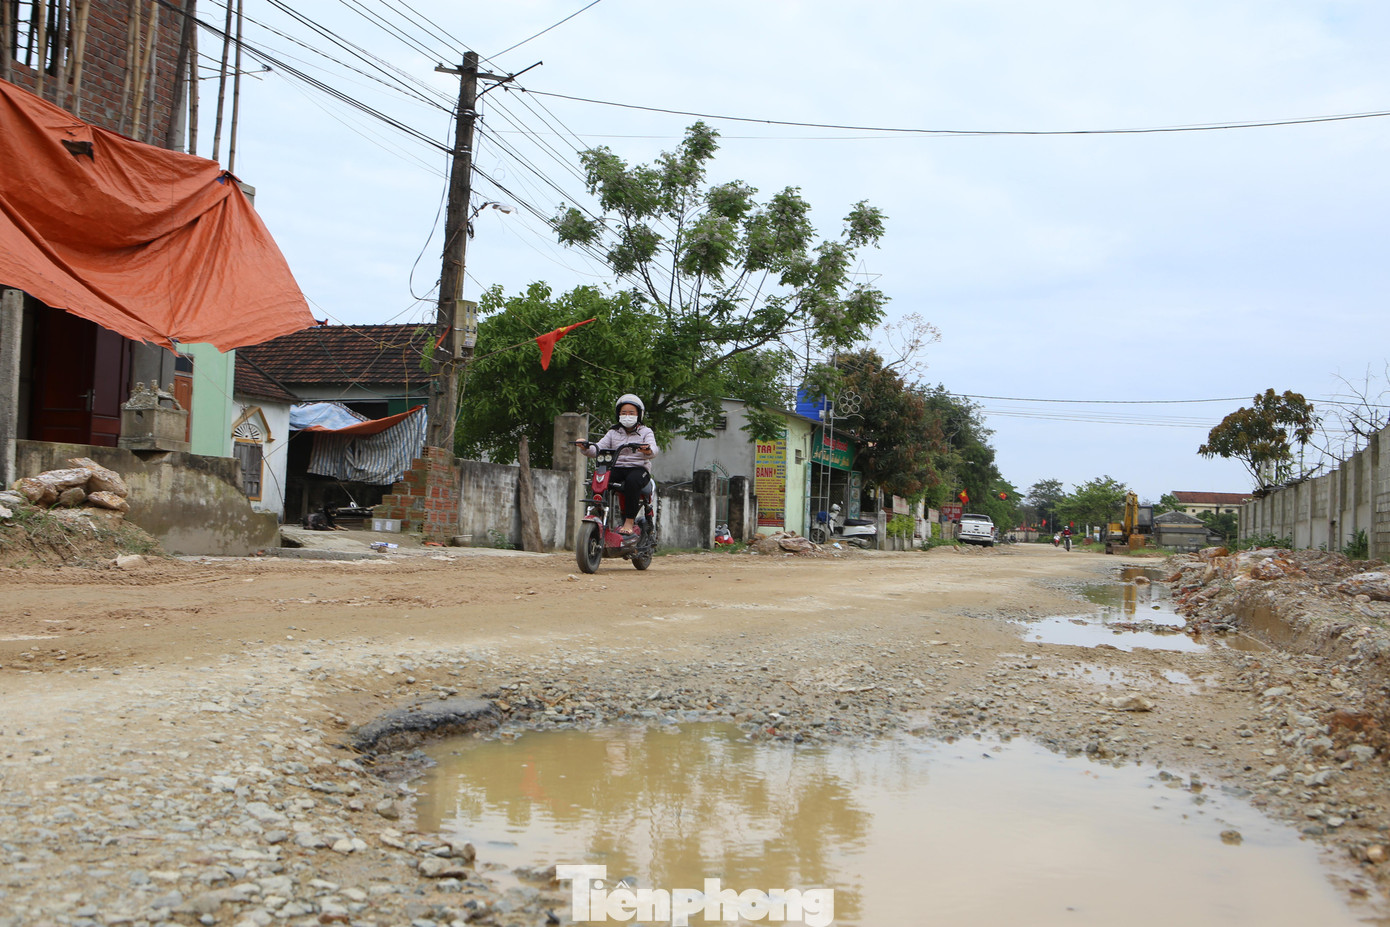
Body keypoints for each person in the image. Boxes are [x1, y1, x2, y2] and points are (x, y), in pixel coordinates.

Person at [576, 394, 659, 536]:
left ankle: (629, 522)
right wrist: (585, 447)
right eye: (623, 413)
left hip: (639, 469)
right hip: (617, 468)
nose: (627, 416)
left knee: (632, 480)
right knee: (600, 476)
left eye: (631, 413)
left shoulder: (646, 431)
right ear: (618, 414)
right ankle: (598, 510)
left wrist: (648, 449)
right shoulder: (613, 432)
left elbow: (654, 449)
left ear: (639, 415)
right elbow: (598, 448)